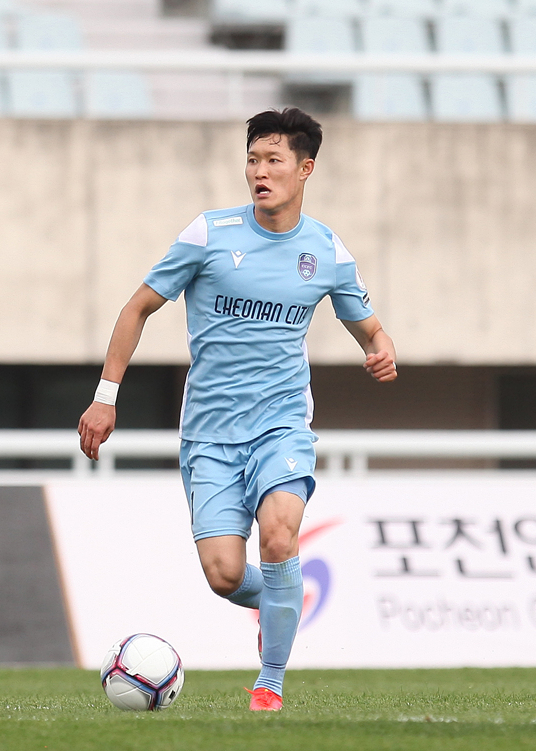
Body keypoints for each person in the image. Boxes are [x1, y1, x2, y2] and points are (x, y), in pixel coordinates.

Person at [78, 107, 397, 712]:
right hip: (210, 436)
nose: (259, 171)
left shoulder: (326, 251)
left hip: (281, 426)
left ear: (305, 169)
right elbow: (136, 308)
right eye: (252, 159)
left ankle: (269, 684)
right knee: (225, 574)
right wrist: (105, 396)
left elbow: (370, 329)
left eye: (274, 160)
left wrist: (380, 350)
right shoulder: (209, 234)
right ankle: (281, 601)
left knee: (279, 535)